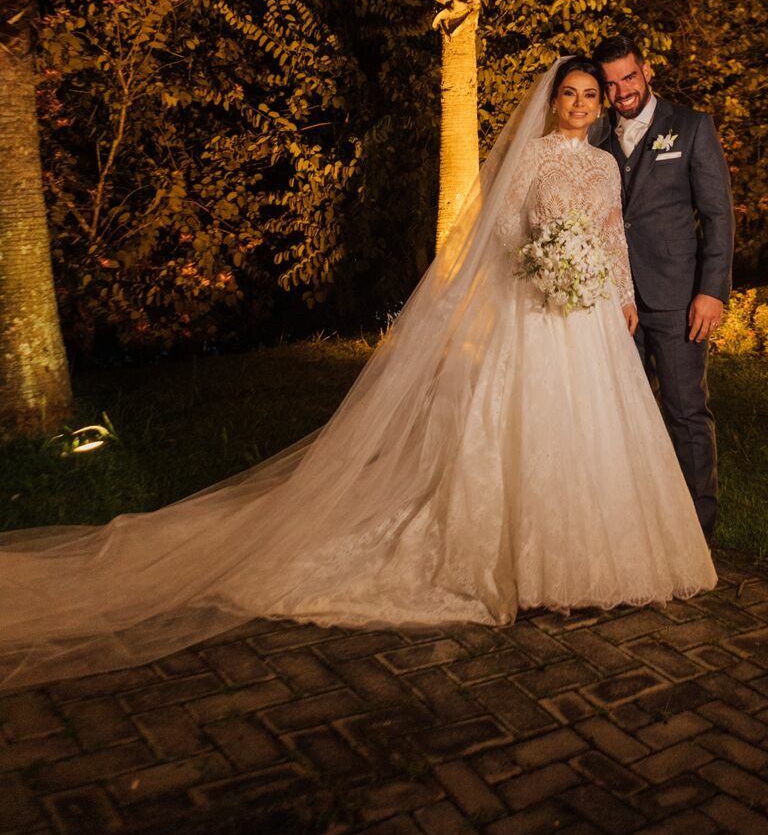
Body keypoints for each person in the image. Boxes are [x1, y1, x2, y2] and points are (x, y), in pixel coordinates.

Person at [0, 56, 714, 692]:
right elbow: (500, 237)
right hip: (537, 311)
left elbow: (611, 233)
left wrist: (618, 294)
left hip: (588, 316)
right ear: (553, 101)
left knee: (596, 434)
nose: (584, 103)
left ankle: (602, 559)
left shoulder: (601, 166)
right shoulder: (529, 159)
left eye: (592, 94)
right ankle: (527, 565)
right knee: (530, 428)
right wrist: (542, 262)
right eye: (573, 93)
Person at [593, 33, 734, 541]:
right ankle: (641, 518)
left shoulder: (692, 127)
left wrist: (711, 291)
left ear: (646, 71)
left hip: (678, 298)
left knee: (685, 409)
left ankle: (698, 527)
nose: (621, 91)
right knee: (626, 410)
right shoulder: (598, 140)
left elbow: (718, 216)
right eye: (611, 84)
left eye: (628, 77)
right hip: (615, 304)